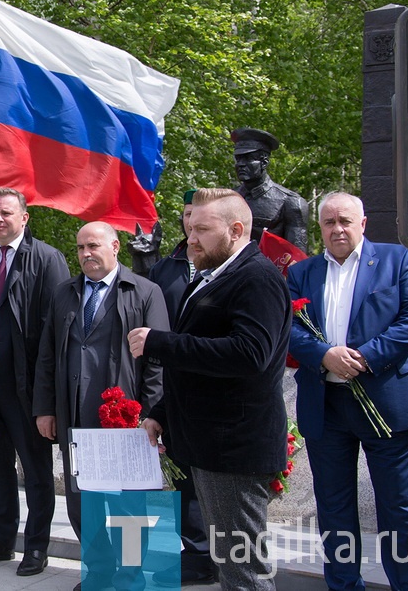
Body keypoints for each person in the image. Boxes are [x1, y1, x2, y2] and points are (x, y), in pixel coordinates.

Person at [127, 188, 290, 590]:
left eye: (201, 229)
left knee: (243, 571)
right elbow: (199, 369)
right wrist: (162, 414)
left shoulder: (256, 278)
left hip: (233, 450)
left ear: (236, 230)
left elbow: (250, 354)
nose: (190, 238)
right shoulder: (214, 276)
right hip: (209, 445)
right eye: (188, 227)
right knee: (231, 563)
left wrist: (159, 341)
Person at [287, 192, 408, 591]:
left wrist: (365, 357)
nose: (337, 229)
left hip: (386, 402)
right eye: (329, 222)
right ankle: (344, 585)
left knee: (397, 507)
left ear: (363, 223)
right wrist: (324, 354)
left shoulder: (396, 260)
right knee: (333, 507)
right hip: (325, 404)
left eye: (345, 221)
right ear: (320, 228)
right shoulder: (303, 272)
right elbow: (288, 328)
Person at [34, 221, 169, 591]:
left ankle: (129, 578)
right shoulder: (65, 293)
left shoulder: (144, 292)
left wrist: (154, 414)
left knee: (127, 511)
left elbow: (158, 362)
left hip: (126, 423)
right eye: (79, 248)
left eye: (92, 246)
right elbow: (47, 355)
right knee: (83, 506)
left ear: (114, 246)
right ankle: (98, 571)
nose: (85, 254)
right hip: (76, 418)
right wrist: (46, 408)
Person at [0, 187, 70, 577]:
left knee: (35, 471)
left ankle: (36, 547)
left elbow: (56, 333)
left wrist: (48, 396)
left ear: (24, 218)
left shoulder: (47, 259)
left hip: (27, 384)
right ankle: (0, 538)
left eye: (6, 213)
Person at [145, 188, 217, 586]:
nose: (191, 223)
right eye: (188, 215)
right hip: (168, 380)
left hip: (207, 378)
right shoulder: (167, 264)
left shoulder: (223, 265)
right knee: (179, 474)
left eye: (200, 217)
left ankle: (208, 551)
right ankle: (191, 550)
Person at [231, 127, 310, 253]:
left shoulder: (290, 203)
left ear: (264, 162)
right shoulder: (228, 199)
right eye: (238, 159)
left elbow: (297, 259)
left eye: (248, 158)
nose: (240, 164)